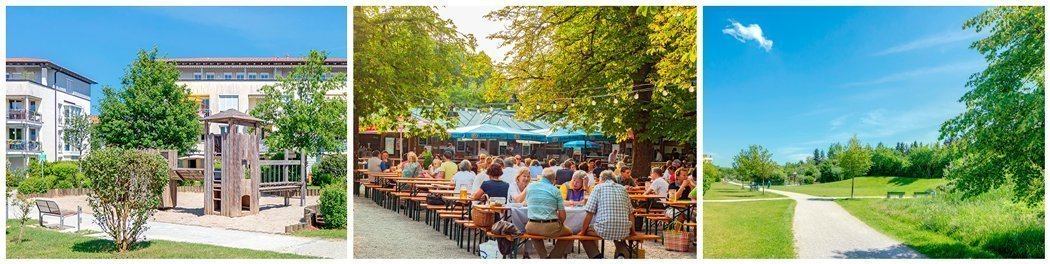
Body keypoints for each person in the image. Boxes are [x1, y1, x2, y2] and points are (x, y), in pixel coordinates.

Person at [577, 170, 635, 258]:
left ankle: (598, 258)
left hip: (604, 229)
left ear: (601, 179)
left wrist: (582, 232)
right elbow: (630, 214)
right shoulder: (623, 189)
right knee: (618, 232)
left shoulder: (598, 188)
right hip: (624, 230)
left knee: (585, 235)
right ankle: (621, 254)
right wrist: (633, 232)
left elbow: (589, 213)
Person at [524, 168, 573, 259]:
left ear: (542, 176)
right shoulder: (555, 190)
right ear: (553, 179)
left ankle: (543, 257)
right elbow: (563, 216)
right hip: (550, 226)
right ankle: (553, 258)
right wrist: (559, 223)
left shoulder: (530, 187)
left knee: (535, 235)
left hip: (531, 226)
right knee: (569, 233)